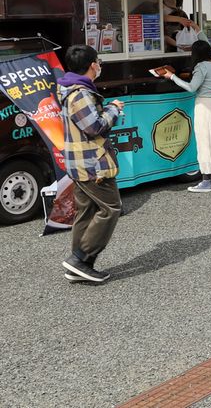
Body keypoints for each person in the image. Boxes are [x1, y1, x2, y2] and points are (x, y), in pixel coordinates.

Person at [58, 44, 125, 284]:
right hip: (92, 163)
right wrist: (113, 110)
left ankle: (80, 266)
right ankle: (79, 258)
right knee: (111, 208)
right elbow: (94, 127)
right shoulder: (79, 93)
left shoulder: (70, 88)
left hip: (80, 162)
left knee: (86, 210)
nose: (100, 66)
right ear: (91, 65)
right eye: (98, 62)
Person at [161, 36, 211, 193]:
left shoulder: (201, 67)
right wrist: (198, 31)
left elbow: (191, 87)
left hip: (205, 105)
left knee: (205, 142)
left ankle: (206, 181)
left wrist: (171, 76)